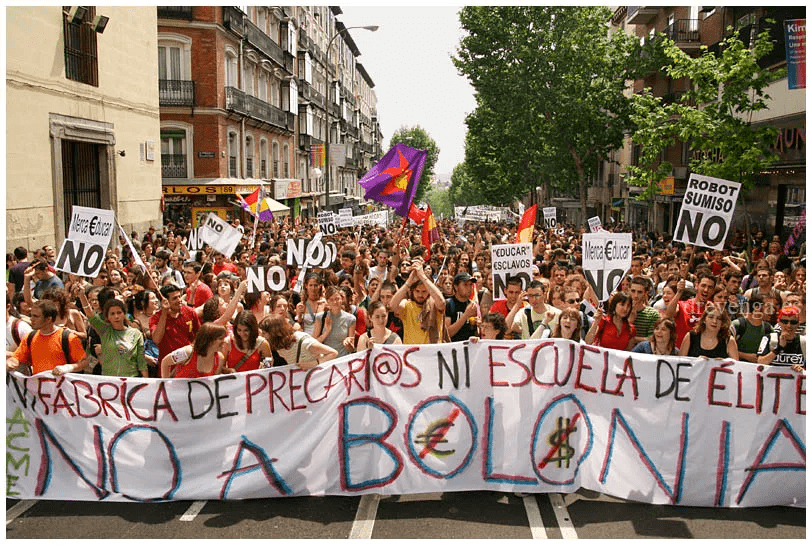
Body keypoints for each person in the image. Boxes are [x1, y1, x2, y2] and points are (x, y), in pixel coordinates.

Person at [6, 299, 87, 376]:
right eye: (31, 315)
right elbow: (17, 359)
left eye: (36, 316)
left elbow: (83, 363)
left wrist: (69, 368)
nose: (31, 319)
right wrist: (7, 365)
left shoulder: (68, 338)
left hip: (61, 387)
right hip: (39, 388)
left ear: (48, 319)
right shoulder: (30, 337)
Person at [78, 294, 147, 377]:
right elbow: (90, 315)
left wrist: (146, 382)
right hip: (109, 382)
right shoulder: (104, 330)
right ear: (107, 317)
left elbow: (141, 361)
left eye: (119, 313)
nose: (116, 316)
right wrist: (82, 295)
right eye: (112, 314)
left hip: (130, 381)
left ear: (124, 314)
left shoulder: (136, 334)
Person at [390, 257, 446, 344]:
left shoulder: (434, 305)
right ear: (412, 291)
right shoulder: (407, 305)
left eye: (424, 291)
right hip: (411, 355)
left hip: (431, 354)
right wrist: (410, 280)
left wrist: (422, 276)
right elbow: (393, 306)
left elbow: (442, 303)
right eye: (417, 291)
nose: (420, 295)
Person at [259, 314, 337, 370]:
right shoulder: (278, 347)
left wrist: (314, 363)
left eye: (264, 333)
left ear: (277, 333)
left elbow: (333, 353)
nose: (262, 336)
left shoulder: (305, 343)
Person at [150, 283, 200, 363]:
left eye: (179, 296)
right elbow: (156, 339)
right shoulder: (155, 318)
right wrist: (164, 313)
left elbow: (199, 334)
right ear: (164, 301)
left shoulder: (190, 312)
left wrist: (190, 352)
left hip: (189, 362)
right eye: (174, 298)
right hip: (168, 366)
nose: (179, 300)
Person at [665, 272, 717, 347]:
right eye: (703, 285)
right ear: (696, 286)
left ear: (713, 291)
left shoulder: (714, 309)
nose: (706, 290)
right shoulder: (683, 305)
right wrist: (679, 292)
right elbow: (668, 314)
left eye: (710, 287)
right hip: (682, 353)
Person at [160, 323, 229, 379]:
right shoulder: (187, 352)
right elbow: (165, 362)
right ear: (209, 340)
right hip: (178, 394)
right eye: (220, 338)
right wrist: (166, 386)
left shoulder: (219, 358)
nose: (224, 341)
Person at [757, 306, 805, 372]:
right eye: (785, 321)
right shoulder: (768, 338)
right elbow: (760, 362)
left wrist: (802, 370)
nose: (789, 326)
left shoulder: (805, 342)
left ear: (798, 324)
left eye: (793, 322)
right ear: (779, 322)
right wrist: (779, 348)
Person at [313, 286, 356, 357]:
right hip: (326, 360)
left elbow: (351, 349)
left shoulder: (351, 319)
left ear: (342, 299)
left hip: (342, 360)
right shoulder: (320, 317)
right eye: (331, 299)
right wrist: (327, 332)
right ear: (327, 301)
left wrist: (348, 344)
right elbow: (313, 344)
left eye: (337, 299)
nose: (335, 302)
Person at [731, 294, 773, 363]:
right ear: (757, 308)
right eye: (768, 307)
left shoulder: (768, 328)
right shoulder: (737, 325)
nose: (772, 311)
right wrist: (745, 356)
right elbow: (724, 347)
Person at [445, 272, 479, 342]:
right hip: (453, 347)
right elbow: (447, 333)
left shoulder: (472, 305)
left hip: (469, 347)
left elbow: (475, 333)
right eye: (465, 285)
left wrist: (478, 326)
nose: (469, 288)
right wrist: (465, 315)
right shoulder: (448, 304)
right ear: (456, 287)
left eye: (470, 285)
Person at [628, 277, 660, 345]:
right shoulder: (621, 310)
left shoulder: (652, 314)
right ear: (629, 290)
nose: (635, 295)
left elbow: (652, 338)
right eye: (633, 291)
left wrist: (634, 339)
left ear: (645, 293)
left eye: (639, 292)